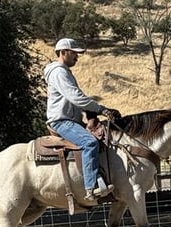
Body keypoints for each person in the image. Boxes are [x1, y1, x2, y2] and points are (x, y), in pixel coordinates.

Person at [44, 38, 121, 202]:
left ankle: (101, 177)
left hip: (71, 120)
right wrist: (101, 109)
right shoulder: (59, 72)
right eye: (74, 53)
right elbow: (76, 98)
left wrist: (92, 114)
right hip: (62, 122)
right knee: (89, 143)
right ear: (63, 52)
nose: (77, 57)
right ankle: (91, 187)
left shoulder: (64, 72)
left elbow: (76, 100)